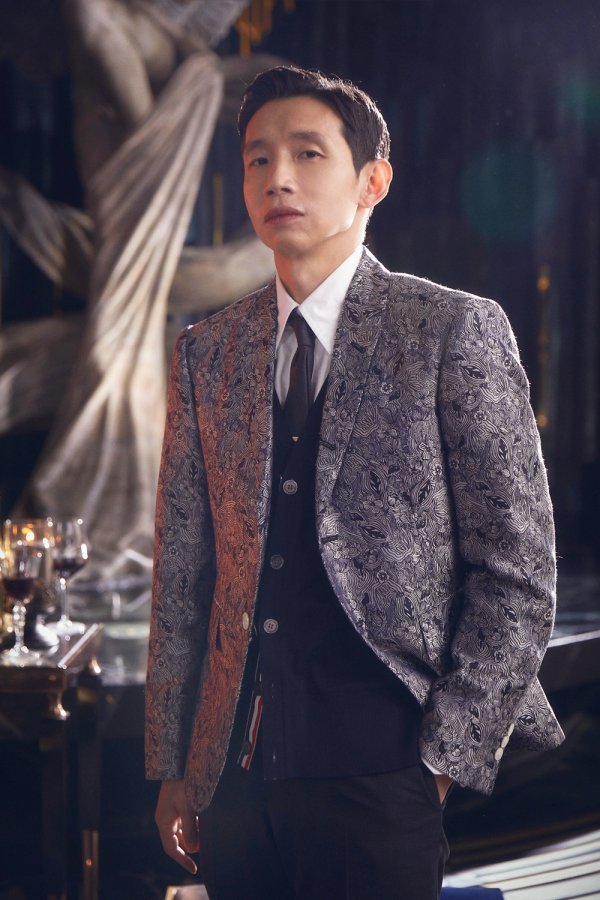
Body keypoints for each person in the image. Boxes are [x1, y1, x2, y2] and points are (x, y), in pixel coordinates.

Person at [145, 65, 564, 900]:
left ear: (373, 181)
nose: (278, 177)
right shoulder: (207, 353)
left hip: (383, 777)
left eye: (308, 153)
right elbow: (184, 577)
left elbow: (518, 576)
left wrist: (438, 764)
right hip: (234, 785)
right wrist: (174, 766)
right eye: (258, 159)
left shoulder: (451, 330)